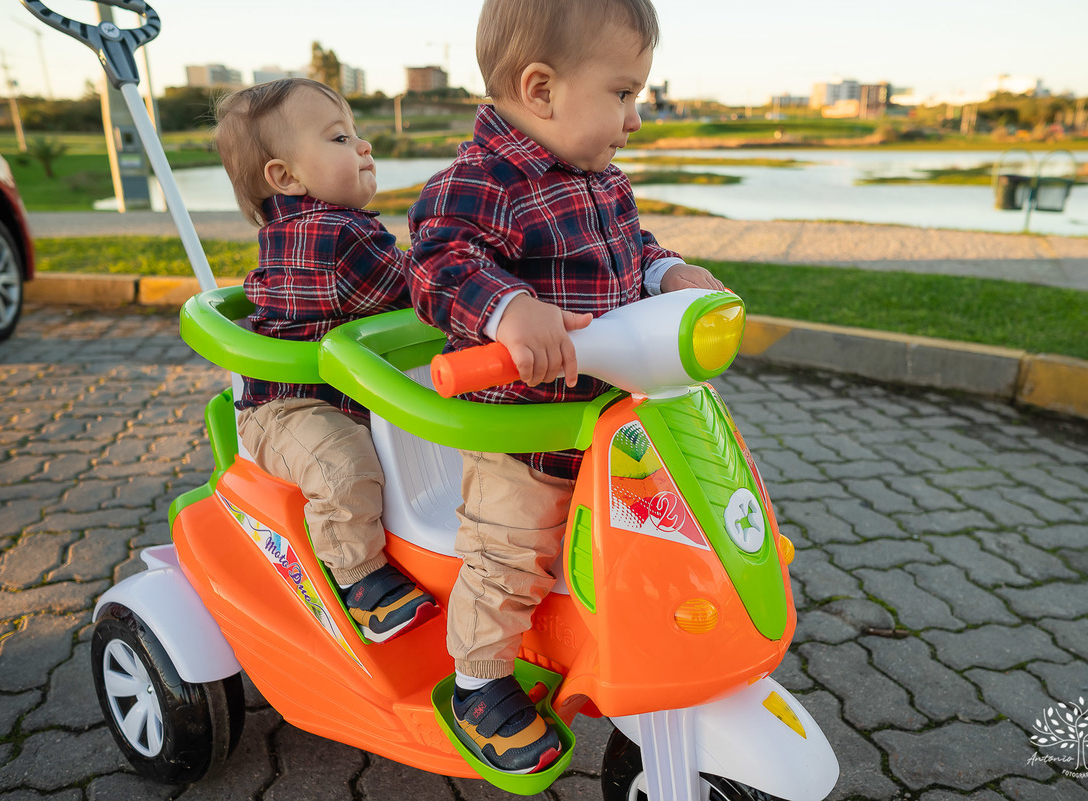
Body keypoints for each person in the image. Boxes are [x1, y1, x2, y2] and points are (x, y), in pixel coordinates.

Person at [407, 0, 723, 774]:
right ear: (541, 90)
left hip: (605, 420)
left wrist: (662, 271)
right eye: (623, 93)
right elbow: (437, 264)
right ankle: (479, 680)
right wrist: (507, 310)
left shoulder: (600, 178)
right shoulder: (481, 184)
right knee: (510, 554)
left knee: (653, 527)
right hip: (524, 434)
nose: (637, 119)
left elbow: (627, 249)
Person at [213, 78, 436, 644]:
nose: (364, 147)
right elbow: (423, 291)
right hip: (290, 409)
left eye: (357, 133)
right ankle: (359, 579)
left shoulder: (329, 227)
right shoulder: (331, 237)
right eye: (341, 137)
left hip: (337, 395)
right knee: (343, 464)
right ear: (285, 177)